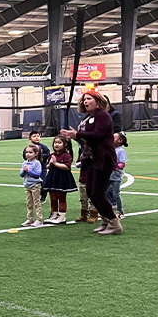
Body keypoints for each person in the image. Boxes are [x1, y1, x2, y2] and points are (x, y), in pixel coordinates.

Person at [61, 91, 122, 236]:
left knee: (98, 193)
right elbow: (87, 139)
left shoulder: (102, 115)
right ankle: (106, 221)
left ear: (97, 101)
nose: (85, 102)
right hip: (92, 158)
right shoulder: (90, 118)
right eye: (84, 100)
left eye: (88, 99)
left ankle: (114, 223)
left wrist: (77, 134)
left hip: (103, 158)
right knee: (91, 192)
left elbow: (97, 135)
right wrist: (75, 136)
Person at [42, 136, 77, 224]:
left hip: (62, 178)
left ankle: (62, 216)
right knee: (53, 197)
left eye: (59, 142)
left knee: (61, 197)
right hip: (52, 177)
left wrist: (55, 163)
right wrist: (50, 164)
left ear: (65, 145)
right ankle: (53, 214)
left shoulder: (66, 155)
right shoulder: (52, 155)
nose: (56, 144)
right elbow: (48, 166)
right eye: (55, 143)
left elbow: (67, 167)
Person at [20, 144, 44, 227]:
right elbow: (21, 174)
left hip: (35, 185)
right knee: (29, 203)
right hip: (27, 185)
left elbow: (37, 175)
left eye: (30, 152)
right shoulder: (25, 163)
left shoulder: (37, 163)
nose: (28, 154)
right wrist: (24, 170)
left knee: (36, 202)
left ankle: (39, 219)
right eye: (26, 152)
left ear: (36, 153)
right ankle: (29, 219)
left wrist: (29, 171)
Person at [106, 132, 128, 218]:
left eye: (113, 138)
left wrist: (115, 167)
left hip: (116, 175)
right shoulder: (110, 149)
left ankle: (120, 211)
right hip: (108, 174)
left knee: (116, 193)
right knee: (104, 191)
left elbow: (122, 163)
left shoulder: (120, 151)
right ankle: (107, 209)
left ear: (120, 140)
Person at [28, 131, 50, 203]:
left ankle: (43, 195)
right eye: (34, 136)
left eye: (38, 136)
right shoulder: (29, 148)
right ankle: (35, 197)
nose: (37, 137)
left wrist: (41, 157)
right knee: (34, 183)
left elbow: (48, 153)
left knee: (43, 182)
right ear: (30, 139)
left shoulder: (43, 147)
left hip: (42, 168)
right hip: (32, 169)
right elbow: (25, 156)